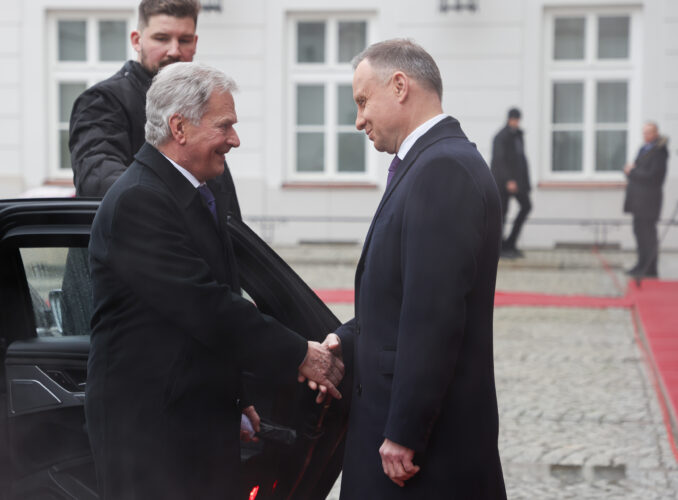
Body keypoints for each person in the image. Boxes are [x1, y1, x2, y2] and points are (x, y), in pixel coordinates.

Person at [86, 62, 344, 499]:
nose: (235, 139)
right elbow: (206, 307)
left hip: (194, 420)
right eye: (224, 126)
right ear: (179, 127)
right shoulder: (140, 201)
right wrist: (301, 353)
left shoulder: (191, 190)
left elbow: (221, 296)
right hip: (151, 433)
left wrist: (238, 397)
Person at [329, 39, 506, 498]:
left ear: (400, 86)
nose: (359, 119)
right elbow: (401, 295)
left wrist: (404, 431)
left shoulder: (442, 168)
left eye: (363, 101)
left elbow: (434, 315)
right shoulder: (428, 163)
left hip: (421, 453)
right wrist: (346, 340)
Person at [68, 0, 240, 218]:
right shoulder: (102, 101)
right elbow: (99, 181)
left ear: (195, 43)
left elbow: (222, 196)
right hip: (135, 246)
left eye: (184, 40)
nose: (174, 50)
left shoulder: (201, 100)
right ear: (137, 40)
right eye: (162, 38)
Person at [623, 121, 669, 278]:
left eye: (649, 132)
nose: (646, 135)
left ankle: (650, 268)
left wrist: (632, 172)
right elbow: (638, 169)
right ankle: (641, 264)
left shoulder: (659, 152)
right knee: (639, 233)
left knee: (648, 235)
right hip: (638, 200)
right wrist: (630, 171)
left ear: (656, 133)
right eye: (644, 132)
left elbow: (653, 176)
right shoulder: (644, 149)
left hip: (649, 202)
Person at [490, 107, 532, 258]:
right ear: (509, 119)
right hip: (504, 183)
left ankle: (511, 243)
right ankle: (501, 248)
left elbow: (520, 160)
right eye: (514, 119)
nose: (516, 122)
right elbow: (499, 161)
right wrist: (508, 180)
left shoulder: (518, 136)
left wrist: (525, 183)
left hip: (519, 182)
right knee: (502, 214)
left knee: (526, 207)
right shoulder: (501, 137)